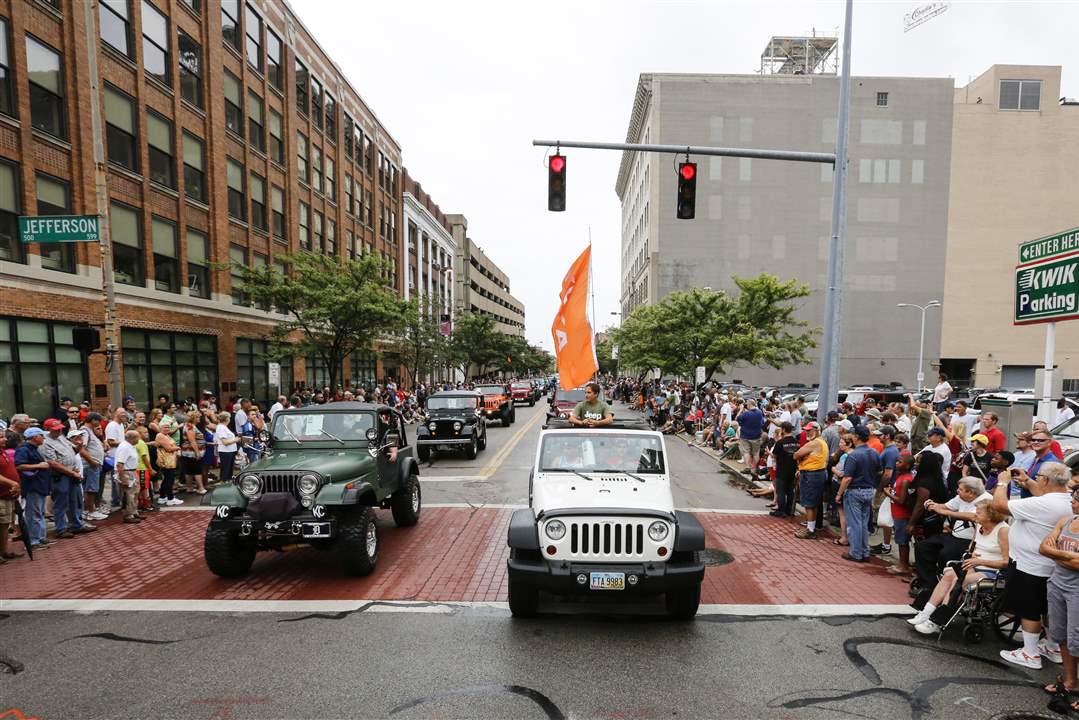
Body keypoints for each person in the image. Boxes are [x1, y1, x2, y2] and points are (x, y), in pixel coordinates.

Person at [991, 461, 1074, 669]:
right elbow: (1045, 495)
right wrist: (1027, 481)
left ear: (1045, 480)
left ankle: (1030, 653)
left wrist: (1002, 483)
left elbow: (999, 505)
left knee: (1029, 609)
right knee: (1047, 608)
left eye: (1038, 477)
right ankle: (1053, 647)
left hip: (1030, 565)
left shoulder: (1043, 504)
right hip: (1050, 567)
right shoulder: (1068, 499)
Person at [908, 499, 1010, 634]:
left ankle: (938, 620)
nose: (975, 515)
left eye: (979, 513)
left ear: (991, 516)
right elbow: (972, 548)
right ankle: (926, 613)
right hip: (974, 565)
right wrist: (970, 557)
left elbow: (1007, 562)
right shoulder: (979, 525)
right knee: (949, 575)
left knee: (959, 580)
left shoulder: (1003, 530)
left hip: (993, 571)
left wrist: (980, 562)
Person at [1038, 487, 1079, 713]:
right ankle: (1071, 681)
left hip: (1077, 590)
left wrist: (1056, 554)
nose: (1072, 502)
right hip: (1057, 584)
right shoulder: (1065, 521)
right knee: (1061, 635)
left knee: (1077, 639)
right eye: (1073, 497)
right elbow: (1043, 548)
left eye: (1077, 499)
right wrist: (1068, 556)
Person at [40, 418, 91, 539]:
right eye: (55, 429)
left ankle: (76, 524)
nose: (59, 431)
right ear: (47, 429)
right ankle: (61, 528)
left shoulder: (61, 437)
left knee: (75, 500)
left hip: (71, 473)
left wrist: (79, 446)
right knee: (61, 502)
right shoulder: (45, 443)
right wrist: (71, 472)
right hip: (59, 475)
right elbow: (53, 463)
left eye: (60, 429)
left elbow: (73, 451)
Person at [836, 426, 881, 562]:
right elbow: (879, 471)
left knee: (855, 524)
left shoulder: (854, 455)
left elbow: (847, 478)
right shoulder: (873, 452)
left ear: (856, 437)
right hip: (868, 490)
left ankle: (856, 552)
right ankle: (864, 552)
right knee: (862, 523)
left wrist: (839, 494)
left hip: (855, 490)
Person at [15, 428, 52, 549]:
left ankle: (40, 537)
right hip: (32, 486)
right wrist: (39, 465)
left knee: (40, 512)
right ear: (35, 437)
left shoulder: (34, 449)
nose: (44, 438)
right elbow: (19, 465)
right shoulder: (24, 449)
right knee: (33, 514)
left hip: (39, 485)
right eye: (41, 435)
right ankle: (33, 541)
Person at [791, 422, 828, 537]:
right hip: (816, 473)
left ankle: (810, 530)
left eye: (809, 430)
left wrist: (802, 457)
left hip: (812, 474)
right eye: (806, 430)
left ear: (817, 431)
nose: (807, 432)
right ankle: (811, 527)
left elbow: (796, 455)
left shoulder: (815, 443)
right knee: (813, 503)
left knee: (809, 503)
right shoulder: (821, 441)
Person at [884, 452, 916, 575]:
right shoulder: (901, 476)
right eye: (897, 461)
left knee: (902, 541)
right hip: (896, 513)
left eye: (900, 462)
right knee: (899, 539)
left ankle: (904, 566)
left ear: (907, 466)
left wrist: (888, 494)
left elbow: (902, 500)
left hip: (902, 514)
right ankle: (902, 563)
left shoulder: (906, 479)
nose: (896, 463)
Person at [0, 433, 23, 562]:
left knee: (4, 524)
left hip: (7, 495)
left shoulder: (2, 452)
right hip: (1, 495)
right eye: (1, 437)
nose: (5, 439)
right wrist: (12, 483)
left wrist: (16, 484)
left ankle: (4, 551)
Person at [1022, 429, 1063, 499]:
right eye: (1033, 440)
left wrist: (1025, 482)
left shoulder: (1052, 463)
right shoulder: (1036, 458)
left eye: (1041, 440)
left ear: (1049, 442)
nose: (1036, 442)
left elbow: (1047, 491)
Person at [770, 422, 798, 518]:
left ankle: (781, 510)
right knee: (790, 490)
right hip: (793, 469)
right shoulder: (796, 441)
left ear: (784, 430)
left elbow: (774, 455)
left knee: (781, 491)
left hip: (782, 469)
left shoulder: (780, 442)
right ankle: (789, 510)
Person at [736, 400, 767, 475]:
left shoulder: (746, 413)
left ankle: (748, 468)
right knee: (756, 453)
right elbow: (762, 423)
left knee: (746, 452)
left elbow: (737, 418)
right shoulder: (759, 412)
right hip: (756, 436)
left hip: (745, 436)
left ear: (749, 405)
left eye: (747, 404)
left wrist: (740, 410)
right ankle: (754, 468)